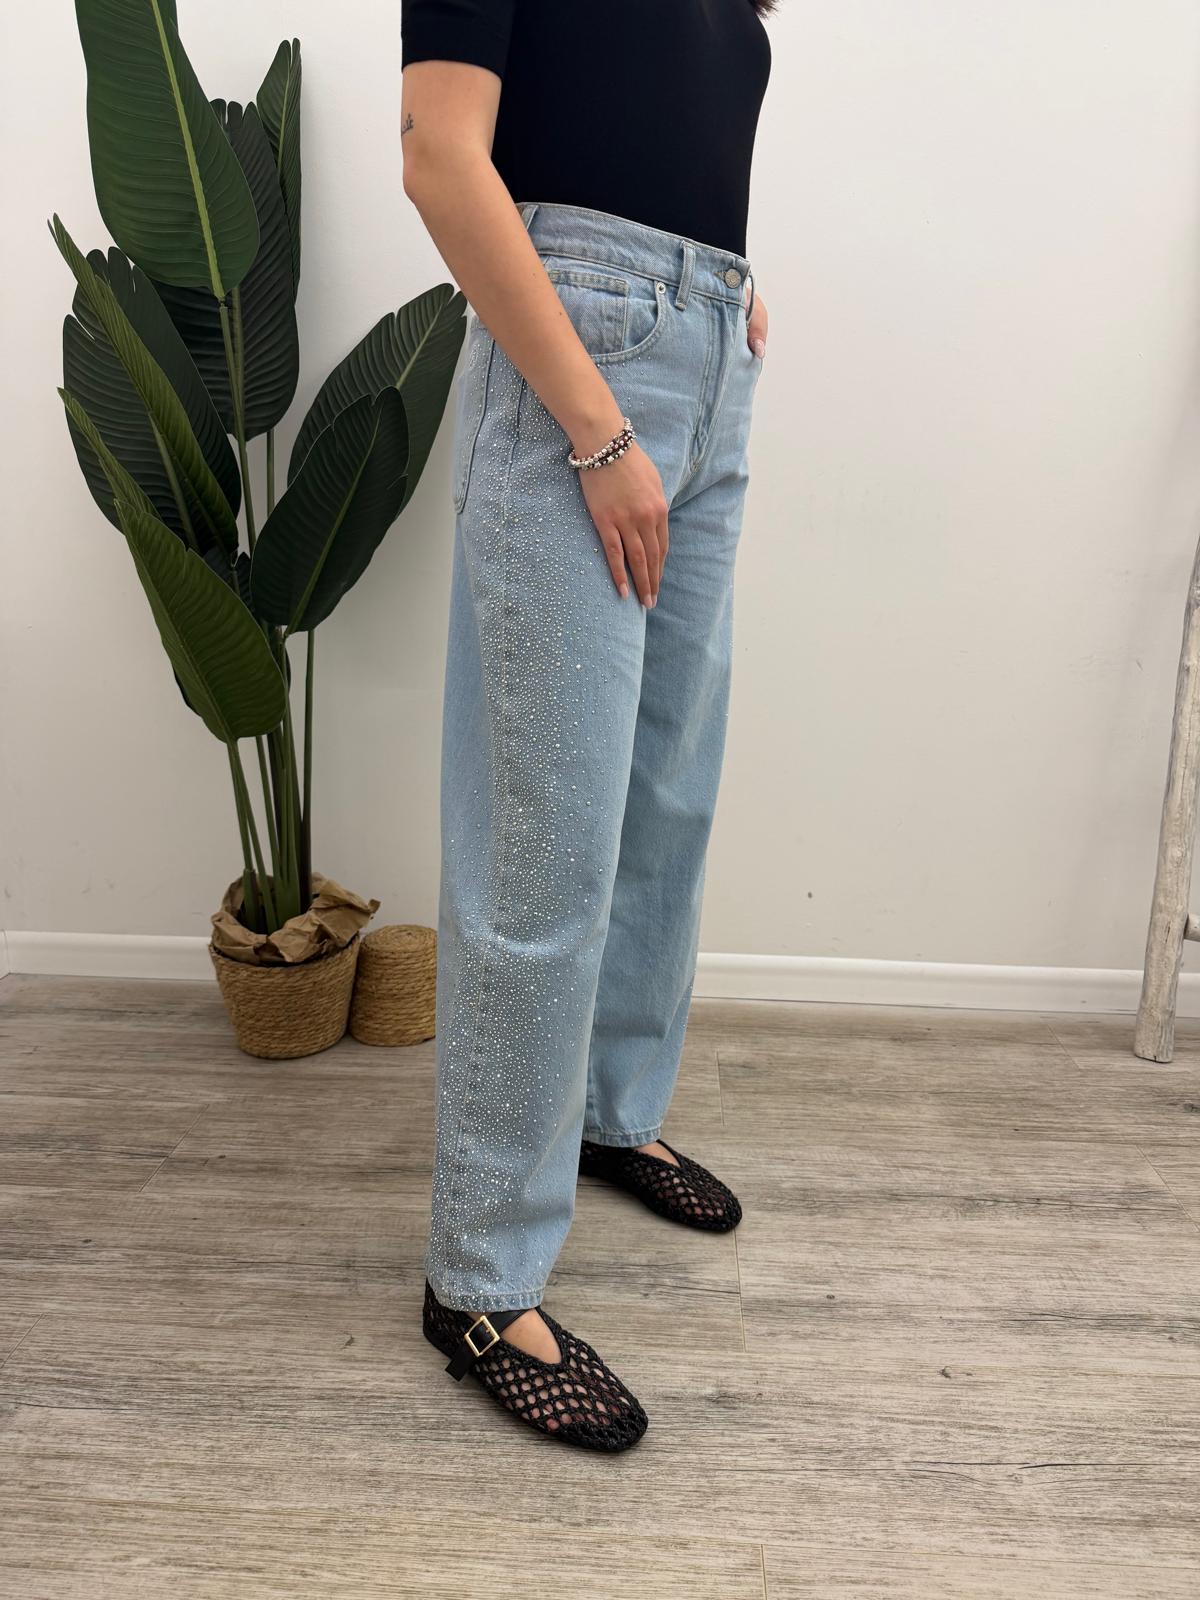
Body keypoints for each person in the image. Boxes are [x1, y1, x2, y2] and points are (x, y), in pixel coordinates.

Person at [400, 0, 774, 1451]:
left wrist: (726, 293)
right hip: (582, 364)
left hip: (705, 352)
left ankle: (614, 1110)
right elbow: (441, 157)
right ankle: (479, 1278)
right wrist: (601, 427)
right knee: (545, 828)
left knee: (667, 788)